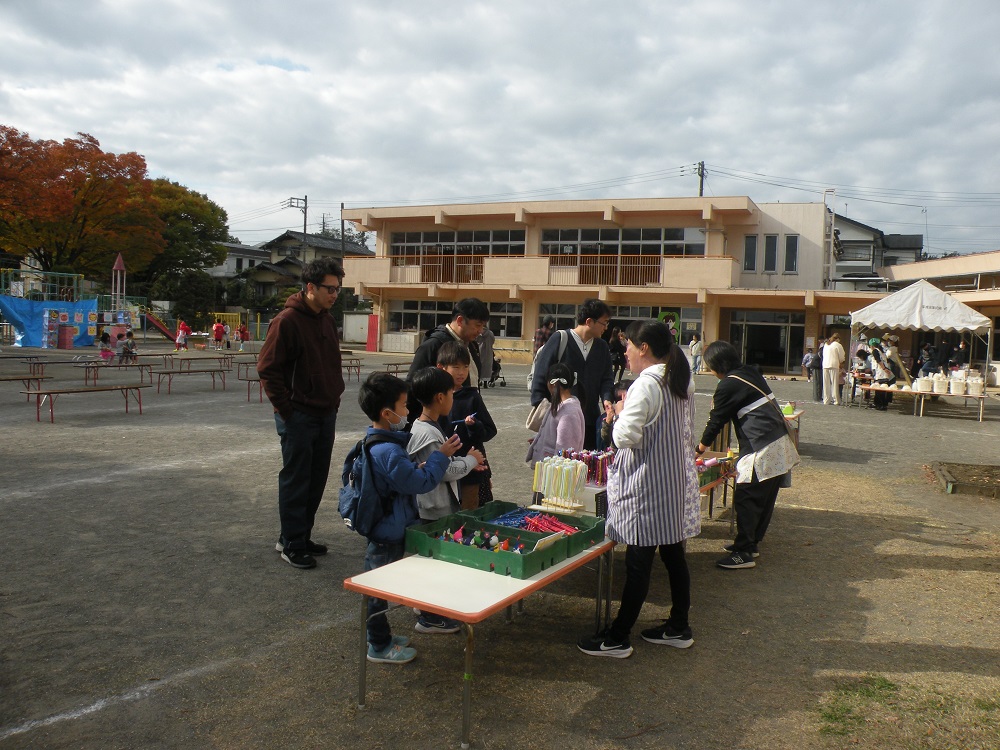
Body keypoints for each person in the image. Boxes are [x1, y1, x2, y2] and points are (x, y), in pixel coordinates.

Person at [577, 319, 699, 658]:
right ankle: (678, 626)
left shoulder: (646, 384)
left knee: (638, 563)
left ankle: (617, 637)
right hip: (673, 482)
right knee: (675, 557)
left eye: (628, 346)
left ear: (643, 347)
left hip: (648, 485)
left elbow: (625, 437)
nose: (625, 352)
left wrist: (616, 414)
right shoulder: (679, 378)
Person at [356, 372, 463, 664]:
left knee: (382, 585)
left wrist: (422, 465)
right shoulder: (388, 450)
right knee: (377, 590)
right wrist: (440, 457)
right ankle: (378, 645)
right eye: (403, 406)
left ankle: (383, 637)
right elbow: (421, 483)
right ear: (386, 412)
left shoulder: (382, 442)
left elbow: (403, 477)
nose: (407, 412)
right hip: (387, 530)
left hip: (390, 525)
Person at [258, 257, 346, 570]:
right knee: (297, 480)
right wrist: (288, 410)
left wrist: (333, 400)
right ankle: (292, 544)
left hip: (324, 412)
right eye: (329, 288)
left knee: (316, 479)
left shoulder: (325, 319)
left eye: (338, 288)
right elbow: (268, 370)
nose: (334, 294)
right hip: (298, 415)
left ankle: (297, 535)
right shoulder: (287, 321)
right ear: (310, 287)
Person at [697, 341, 799, 569]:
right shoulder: (750, 373)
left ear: (718, 365)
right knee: (763, 498)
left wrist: (700, 448)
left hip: (762, 446)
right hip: (779, 443)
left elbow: (716, 420)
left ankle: (743, 553)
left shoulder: (728, 385)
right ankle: (750, 544)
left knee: (747, 497)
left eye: (710, 367)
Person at [407, 367, 484, 634]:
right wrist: (472, 459)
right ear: (440, 397)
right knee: (434, 562)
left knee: (432, 560)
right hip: (433, 507)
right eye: (451, 392)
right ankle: (429, 616)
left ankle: (426, 607)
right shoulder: (427, 433)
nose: (454, 396)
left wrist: (464, 461)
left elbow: (446, 464)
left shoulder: (428, 426)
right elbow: (444, 471)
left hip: (435, 505)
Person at [529, 298, 615, 450]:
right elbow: (540, 376)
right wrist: (541, 407)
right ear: (589, 321)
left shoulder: (601, 346)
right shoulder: (560, 339)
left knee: (587, 465)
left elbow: (607, 378)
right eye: (604, 322)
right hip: (560, 417)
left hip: (589, 419)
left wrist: (607, 398)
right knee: (561, 465)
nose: (606, 327)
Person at [406, 298, 490, 421]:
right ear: (460, 320)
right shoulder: (433, 345)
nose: (481, 331)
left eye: (483, 326)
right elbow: (413, 388)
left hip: (466, 423)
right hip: (441, 426)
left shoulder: (471, 345)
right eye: (478, 325)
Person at [438, 341, 497, 508]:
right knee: (445, 512)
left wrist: (474, 426)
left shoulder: (472, 397)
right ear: (442, 367)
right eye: (456, 367)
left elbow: (490, 431)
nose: (461, 373)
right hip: (445, 467)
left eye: (465, 367)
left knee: (468, 512)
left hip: (471, 468)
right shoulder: (437, 397)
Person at [526, 363, 586, 467]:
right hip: (549, 469)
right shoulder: (561, 406)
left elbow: (565, 450)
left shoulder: (568, 413)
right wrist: (541, 438)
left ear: (551, 384)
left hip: (555, 474)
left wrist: (555, 475)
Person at [598, 379, 632, 451]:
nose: (623, 402)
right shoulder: (607, 418)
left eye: (626, 397)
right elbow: (606, 444)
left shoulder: (640, 415)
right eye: (619, 399)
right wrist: (608, 422)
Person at [822, 333, 846, 405]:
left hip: (825, 364)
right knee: (834, 383)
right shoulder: (838, 345)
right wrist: (842, 362)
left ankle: (826, 400)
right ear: (838, 339)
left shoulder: (826, 344)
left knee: (826, 384)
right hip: (834, 365)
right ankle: (836, 400)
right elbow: (842, 357)